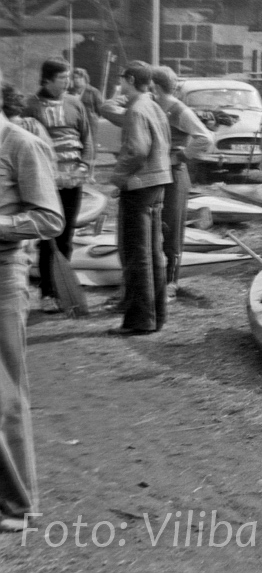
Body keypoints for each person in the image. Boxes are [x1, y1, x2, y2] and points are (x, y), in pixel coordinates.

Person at [0, 69, 65, 533]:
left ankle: (17, 505)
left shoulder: (21, 144)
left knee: (4, 391)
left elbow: (49, 219)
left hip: (3, 273)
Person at [98, 62, 171, 335]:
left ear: (129, 79)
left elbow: (138, 150)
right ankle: (157, 316)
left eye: (122, 82)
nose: (119, 86)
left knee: (136, 256)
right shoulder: (152, 105)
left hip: (139, 187)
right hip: (158, 182)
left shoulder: (137, 109)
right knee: (153, 254)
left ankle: (139, 320)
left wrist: (117, 177)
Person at [22, 60, 93, 314]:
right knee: (47, 237)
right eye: (62, 78)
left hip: (73, 180)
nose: (68, 82)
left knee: (66, 236)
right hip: (45, 183)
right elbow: (26, 144)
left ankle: (63, 290)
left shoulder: (75, 103)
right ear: (47, 80)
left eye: (68, 78)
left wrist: (84, 166)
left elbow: (87, 138)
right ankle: (48, 293)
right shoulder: (30, 106)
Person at [150, 67, 213, 299]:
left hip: (174, 174)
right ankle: (157, 279)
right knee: (156, 227)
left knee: (172, 228)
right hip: (155, 174)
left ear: (155, 86)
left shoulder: (177, 109)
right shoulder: (153, 106)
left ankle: (171, 282)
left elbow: (205, 137)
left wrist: (181, 155)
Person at [69, 67, 105, 147]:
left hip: (90, 124)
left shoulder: (93, 92)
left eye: (80, 77)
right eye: (75, 77)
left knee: (89, 146)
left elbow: (100, 109)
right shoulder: (70, 92)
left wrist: (92, 117)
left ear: (85, 78)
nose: (77, 80)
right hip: (74, 124)